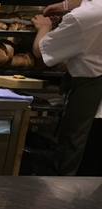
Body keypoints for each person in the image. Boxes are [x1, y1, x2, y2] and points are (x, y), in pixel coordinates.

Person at [31, 0, 102, 175]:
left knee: (75, 150)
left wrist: (44, 27)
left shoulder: (82, 17)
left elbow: (40, 50)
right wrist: (65, 6)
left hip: (89, 91)